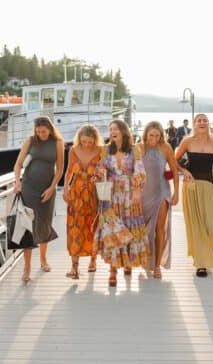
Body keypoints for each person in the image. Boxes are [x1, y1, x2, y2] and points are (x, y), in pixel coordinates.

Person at [175, 113, 213, 278]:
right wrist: (184, 171)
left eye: (205, 120)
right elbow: (174, 160)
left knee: (209, 223)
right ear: (194, 125)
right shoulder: (187, 141)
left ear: (208, 124)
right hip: (191, 186)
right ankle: (200, 263)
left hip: (209, 185)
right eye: (198, 120)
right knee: (196, 225)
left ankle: (203, 256)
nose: (202, 122)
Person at [94, 119, 150, 287]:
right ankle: (112, 271)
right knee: (112, 229)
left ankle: (127, 262)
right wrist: (98, 174)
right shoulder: (105, 150)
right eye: (110, 129)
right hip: (111, 195)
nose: (112, 131)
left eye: (115, 128)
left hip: (129, 195)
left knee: (129, 228)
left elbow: (140, 171)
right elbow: (100, 168)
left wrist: (138, 191)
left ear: (124, 131)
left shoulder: (134, 150)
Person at [13, 116, 64, 283]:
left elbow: (60, 170)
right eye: (38, 131)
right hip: (28, 188)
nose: (41, 134)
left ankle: (43, 259)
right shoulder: (30, 141)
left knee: (44, 223)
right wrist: (17, 182)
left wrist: (51, 188)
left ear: (50, 129)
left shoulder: (57, 143)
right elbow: (18, 164)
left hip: (46, 190)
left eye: (44, 131)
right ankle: (27, 267)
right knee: (27, 226)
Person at [137, 121, 179, 279]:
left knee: (159, 229)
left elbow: (174, 170)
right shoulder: (139, 147)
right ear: (146, 134)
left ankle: (156, 266)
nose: (154, 138)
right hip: (143, 193)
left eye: (157, 135)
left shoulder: (165, 147)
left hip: (162, 191)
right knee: (143, 230)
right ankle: (144, 260)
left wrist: (176, 194)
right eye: (151, 135)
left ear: (161, 135)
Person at [63, 124, 103, 279]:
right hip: (76, 195)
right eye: (84, 141)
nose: (87, 144)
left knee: (93, 227)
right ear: (79, 139)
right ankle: (74, 267)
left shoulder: (100, 150)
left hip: (94, 194)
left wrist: (99, 175)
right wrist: (66, 188)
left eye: (90, 141)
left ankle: (93, 261)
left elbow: (105, 170)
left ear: (95, 140)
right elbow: (69, 171)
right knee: (74, 229)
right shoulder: (73, 150)